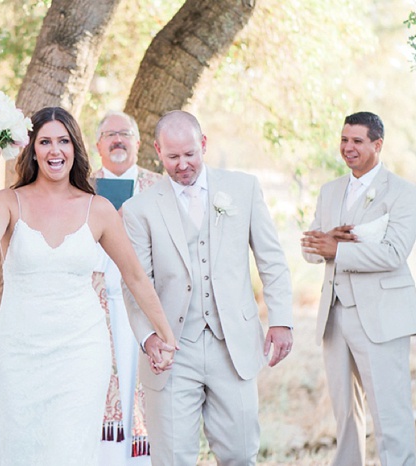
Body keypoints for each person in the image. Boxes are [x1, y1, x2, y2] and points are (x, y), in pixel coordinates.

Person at [0, 106, 176, 465]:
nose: (55, 150)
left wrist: (165, 335)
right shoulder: (8, 201)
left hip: (81, 350)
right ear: (32, 148)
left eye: (63, 141)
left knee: (71, 450)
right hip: (20, 351)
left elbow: (135, 275)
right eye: (45, 141)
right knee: (23, 449)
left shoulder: (96, 209)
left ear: (75, 148)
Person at [121, 110, 293, 465]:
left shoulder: (243, 189)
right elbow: (136, 283)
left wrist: (281, 320)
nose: (183, 165)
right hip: (171, 351)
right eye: (172, 157)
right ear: (157, 151)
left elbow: (271, 260)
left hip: (233, 345)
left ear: (203, 144)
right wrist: (148, 337)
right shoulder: (139, 209)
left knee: (241, 453)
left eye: (189, 154)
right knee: (172, 458)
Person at [301, 111, 416, 466]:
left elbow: (392, 253)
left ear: (377, 144)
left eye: (357, 141)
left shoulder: (402, 192)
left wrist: (337, 249)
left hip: (381, 317)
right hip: (334, 317)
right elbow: (310, 249)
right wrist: (325, 242)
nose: (348, 147)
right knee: (345, 414)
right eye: (344, 139)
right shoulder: (329, 191)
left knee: (390, 412)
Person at [91, 111, 160, 465]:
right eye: (109, 134)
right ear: (98, 144)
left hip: (146, 308)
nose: (117, 140)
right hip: (95, 308)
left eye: (125, 133)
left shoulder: (158, 187)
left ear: (137, 142)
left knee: (142, 382)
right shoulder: (81, 189)